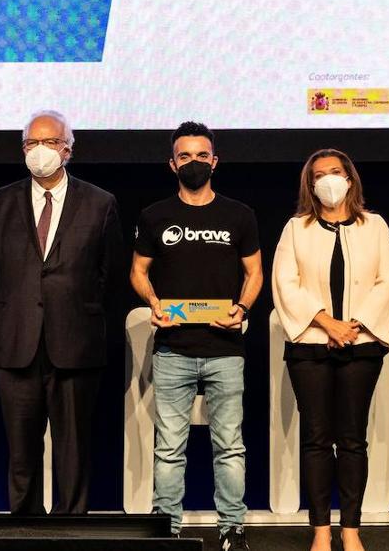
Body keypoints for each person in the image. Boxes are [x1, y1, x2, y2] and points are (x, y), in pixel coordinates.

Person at [0, 110, 124, 514]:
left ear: (68, 150)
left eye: (49, 142)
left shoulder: (100, 203)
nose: (40, 151)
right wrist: (15, 307)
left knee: (74, 450)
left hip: (76, 344)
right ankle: (24, 527)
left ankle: (72, 528)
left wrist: (74, 307)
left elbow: (109, 273)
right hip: (17, 343)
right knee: (21, 452)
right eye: (31, 144)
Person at [130, 121, 262, 551]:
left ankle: (232, 529)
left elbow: (255, 273)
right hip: (173, 349)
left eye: (201, 155)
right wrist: (154, 303)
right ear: (172, 164)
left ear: (214, 161)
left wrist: (241, 309)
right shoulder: (155, 216)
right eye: (184, 156)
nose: (193, 163)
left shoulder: (239, 214)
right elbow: (138, 271)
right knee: (169, 447)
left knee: (230, 446)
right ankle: (166, 529)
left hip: (226, 349)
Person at [271, 149, 389, 551]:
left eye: (336, 173)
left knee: (352, 439)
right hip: (310, 345)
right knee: (315, 439)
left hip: (360, 346)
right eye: (320, 175)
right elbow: (285, 283)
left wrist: (353, 326)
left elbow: (388, 278)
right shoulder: (297, 228)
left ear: (350, 179)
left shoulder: (375, 226)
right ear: (310, 185)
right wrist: (327, 323)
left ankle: (351, 531)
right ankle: (322, 532)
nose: (329, 180)